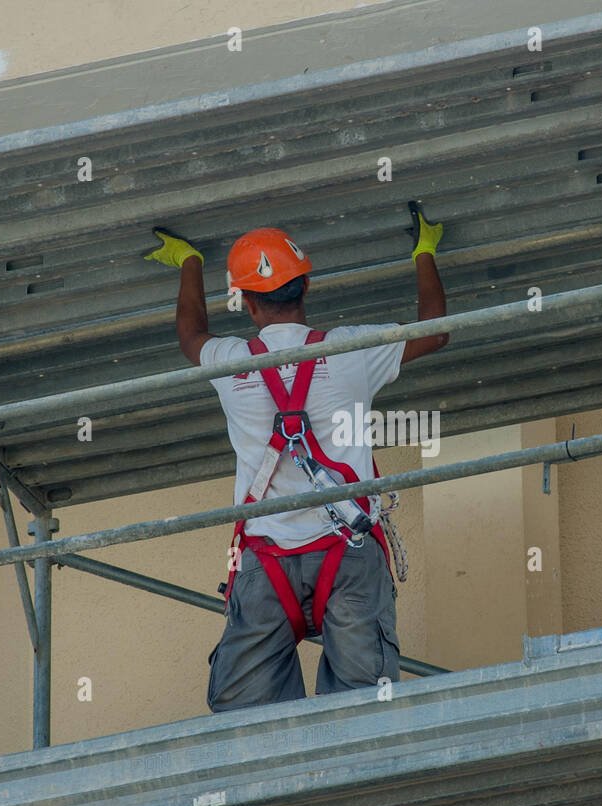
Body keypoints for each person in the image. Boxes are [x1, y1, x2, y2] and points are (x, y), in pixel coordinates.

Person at [146, 212, 449, 711]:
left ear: (245, 304)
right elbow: (436, 331)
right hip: (348, 554)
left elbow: (189, 334)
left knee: (245, 720)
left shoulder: (230, 361)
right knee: (363, 711)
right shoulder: (350, 351)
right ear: (306, 285)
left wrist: (190, 262)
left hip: (266, 564)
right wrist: (424, 251)